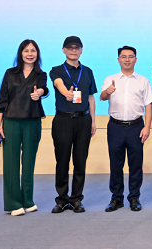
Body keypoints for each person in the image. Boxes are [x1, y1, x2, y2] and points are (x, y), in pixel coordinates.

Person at [0, 39, 49, 216]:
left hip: (32, 122)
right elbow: (2, 100)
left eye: (33, 50)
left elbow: (44, 88)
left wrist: (39, 93)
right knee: (10, 162)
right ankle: (13, 203)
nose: (30, 54)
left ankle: (27, 200)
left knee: (29, 162)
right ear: (20, 53)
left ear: (37, 54)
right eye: (26, 50)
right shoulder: (10, 73)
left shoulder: (40, 74)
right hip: (11, 122)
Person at [101, 46, 152, 212]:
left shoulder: (143, 81)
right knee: (115, 164)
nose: (127, 59)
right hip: (115, 127)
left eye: (130, 56)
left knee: (136, 164)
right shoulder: (110, 79)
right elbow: (102, 97)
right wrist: (108, 91)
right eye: (123, 57)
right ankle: (116, 198)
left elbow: (148, 105)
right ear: (118, 59)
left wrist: (147, 127)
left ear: (135, 60)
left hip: (136, 127)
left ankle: (134, 197)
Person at [49, 36, 97, 213]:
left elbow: (91, 97)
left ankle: (76, 199)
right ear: (64, 50)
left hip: (83, 120)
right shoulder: (56, 70)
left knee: (80, 161)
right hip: (62, 120)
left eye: (77, 48)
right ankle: (62, 199)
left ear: (81, 50)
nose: (73, 50)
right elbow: (58, 84)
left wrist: (93, 121)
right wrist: (66, 94)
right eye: (70, 48)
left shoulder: (88, 71)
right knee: (62, 161)